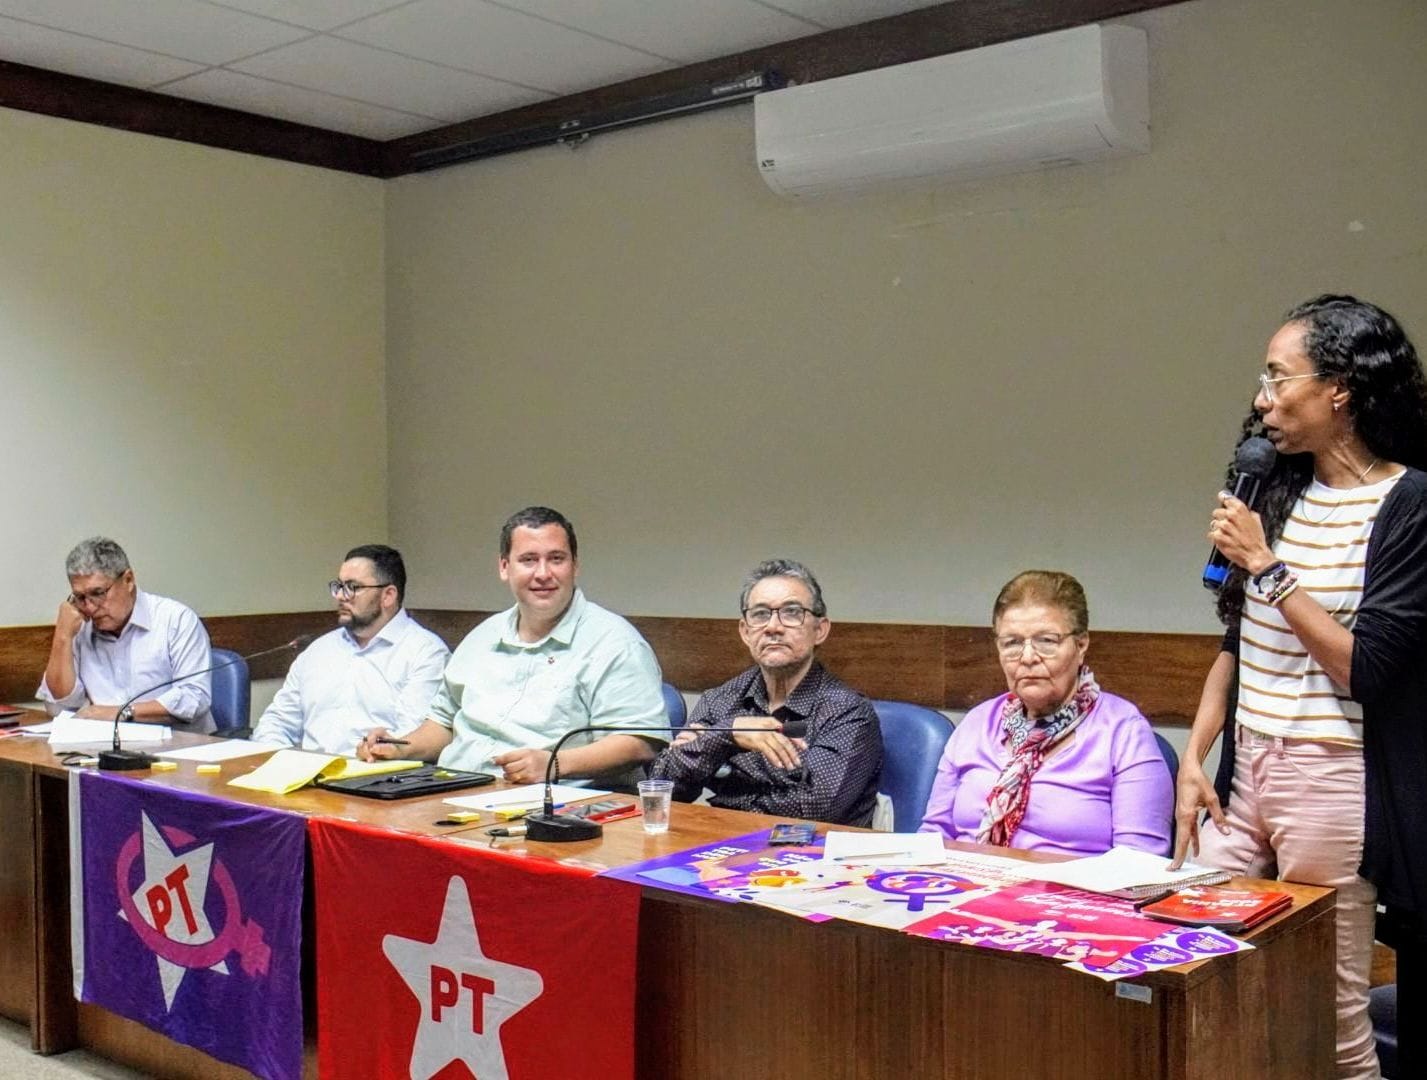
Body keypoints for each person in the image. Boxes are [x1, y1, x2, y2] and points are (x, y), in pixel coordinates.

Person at [1173, 295, 1427, 1080]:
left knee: (1327, 1014)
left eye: (1277, 377)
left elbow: (1365, 669)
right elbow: (1238, 642)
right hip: (1245, 768)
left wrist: (1266, 566)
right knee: (1202, 970)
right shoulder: (1274, 492)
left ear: (1338, 389)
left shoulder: (1407, 503)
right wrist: (1194, 756)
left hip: (1331, 777)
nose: (1261, 399)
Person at [358, 507, 667, 782]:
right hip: (456, 790)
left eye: (556, 559)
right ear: (505, 567)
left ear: (575, 566)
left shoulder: (614, 642)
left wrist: (554, 764)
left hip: (557, 805)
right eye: (528, 560)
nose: (543, 573)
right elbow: (443, 723)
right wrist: (399, 748)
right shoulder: (482, 638)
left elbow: (639, 742)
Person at [919, 570, 1171, 857]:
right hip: (965, 881)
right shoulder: (977, 723)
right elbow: (932, 838)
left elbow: (1139, 862)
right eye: (1012, 643)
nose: (1027, 657)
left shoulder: (1123, 731)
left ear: (1081, 645)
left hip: (1072, 885)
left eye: (1047, 641)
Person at [648, 559, 883, 826]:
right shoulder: (721, 701)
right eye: (760, 614)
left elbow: (815, 808)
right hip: (723, 844)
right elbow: (662, 789)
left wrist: (721, 770)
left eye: (792, 612)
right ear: (745, 632)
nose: (773, 627)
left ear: (819, 630)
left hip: (813, 849)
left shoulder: (848, 712)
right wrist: (728, 735)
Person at [251, 545, 449, 755]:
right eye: (338, 586)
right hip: (308, 770)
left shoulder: (425, 653)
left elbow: (410, 739)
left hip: (378, 770)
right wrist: (278, 759)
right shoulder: (318, 650)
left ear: (388, 596)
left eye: (353, 587)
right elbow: (277, 722)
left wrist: (379, 753)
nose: (340, 596)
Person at [37, 536, 214, 732]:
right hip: (105, 743)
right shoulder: (80, 626)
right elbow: (59, 706)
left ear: (128, 580)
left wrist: (121, 713)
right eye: (80, 597)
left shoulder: (176, 620)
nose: (90, 607)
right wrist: (63, 636)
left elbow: (194, 698)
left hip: (182, 744)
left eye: (98, 593)